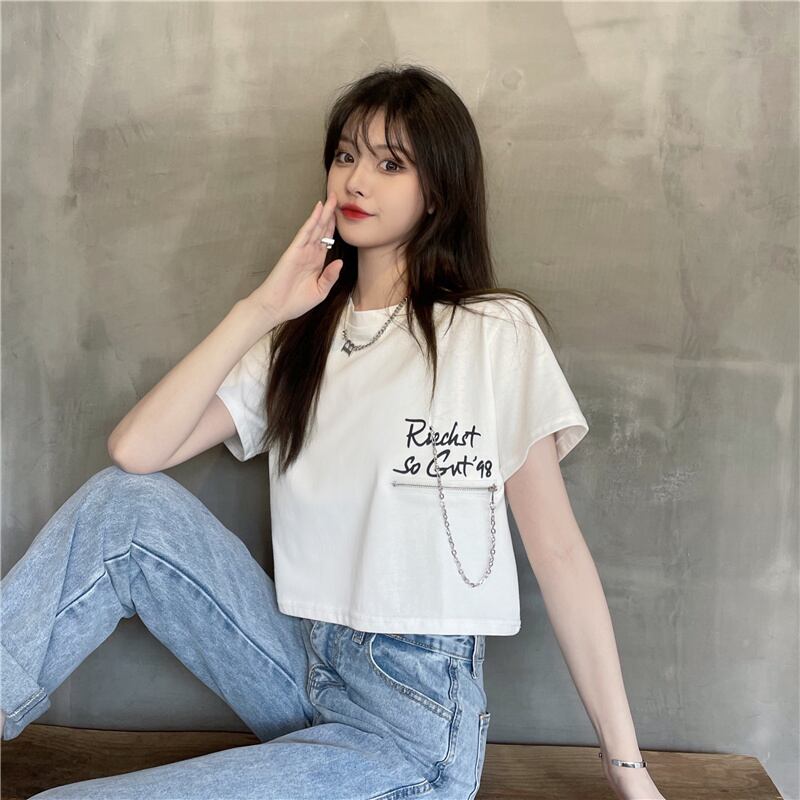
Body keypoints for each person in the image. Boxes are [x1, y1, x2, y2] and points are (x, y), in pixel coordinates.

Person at [1, 64, 665, 799]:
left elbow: (560, 553)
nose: (357, 180)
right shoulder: (301, 339)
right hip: (297, 663)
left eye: (390, 164)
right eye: (346, 155)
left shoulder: (491, 334)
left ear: (437, 190)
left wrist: (627, 769)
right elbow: (137, 451)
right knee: (122, 507)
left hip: (410, 718)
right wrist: (261, 307)